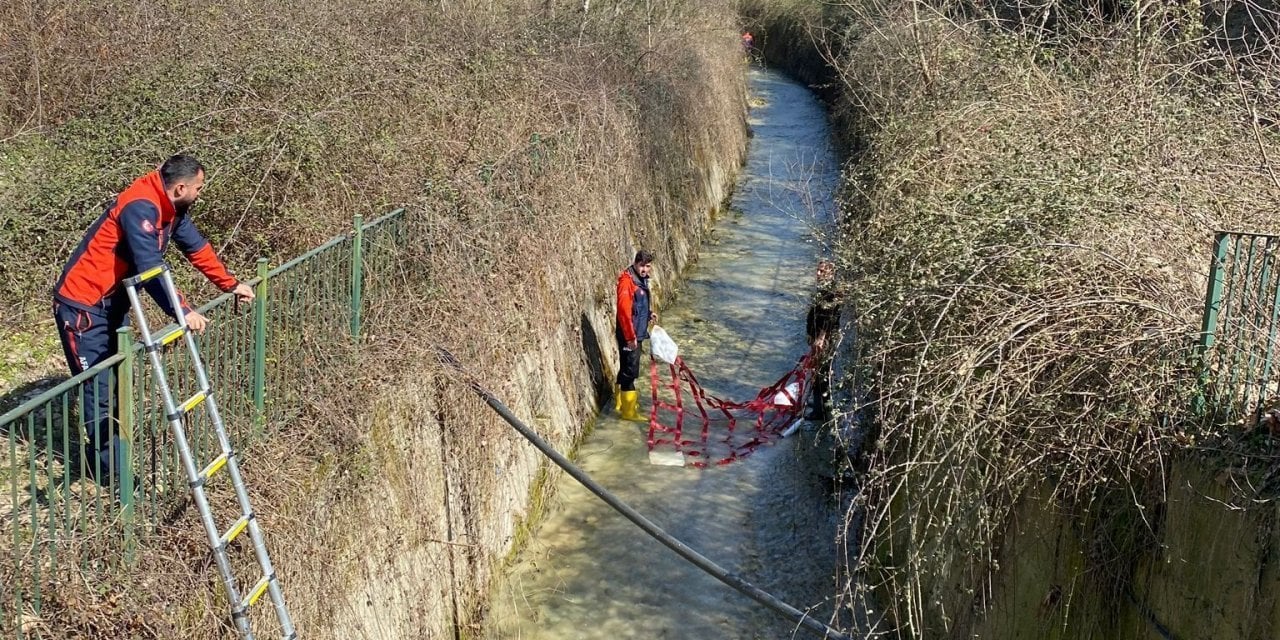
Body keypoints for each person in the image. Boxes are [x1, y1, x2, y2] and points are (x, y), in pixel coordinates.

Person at [53, 154, 255, 486]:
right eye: (199, 188)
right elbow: (149, 268)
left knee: (115, 381)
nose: (200, 194)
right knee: (97, 388)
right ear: (180, 187)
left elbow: (197, 248)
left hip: (111, 302)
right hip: (83, 307)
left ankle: (104, 459)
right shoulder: (141, 206)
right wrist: (183, 311)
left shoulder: (171, 207)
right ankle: (115, 479)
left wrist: (230, 284)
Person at [615, 250, 657, 421]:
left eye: (647, 266)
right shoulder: (627, 282)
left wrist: (649, 314)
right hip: (630, 334)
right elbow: (624, 312)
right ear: (635, 263)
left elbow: (637, 307)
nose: (645, 269)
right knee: (630, 372)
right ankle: (629, 412)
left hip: (635, 332)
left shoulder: (639, 280)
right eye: (642, 265)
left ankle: (620, 403)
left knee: (625, 367)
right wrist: (631, 337)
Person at [805, 260, 840, 422]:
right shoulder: (822, 290)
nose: (817, 274)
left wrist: (820, 338)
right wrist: (810, 334)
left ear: (830, 274)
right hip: (818, 337)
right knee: (816, 373)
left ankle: (822, 412)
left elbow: (830, 317)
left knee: (821, 375)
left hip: (826, 341)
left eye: (821, 271)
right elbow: (814, 313)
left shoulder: (833, 292)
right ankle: (820, 406)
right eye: (817, 271)